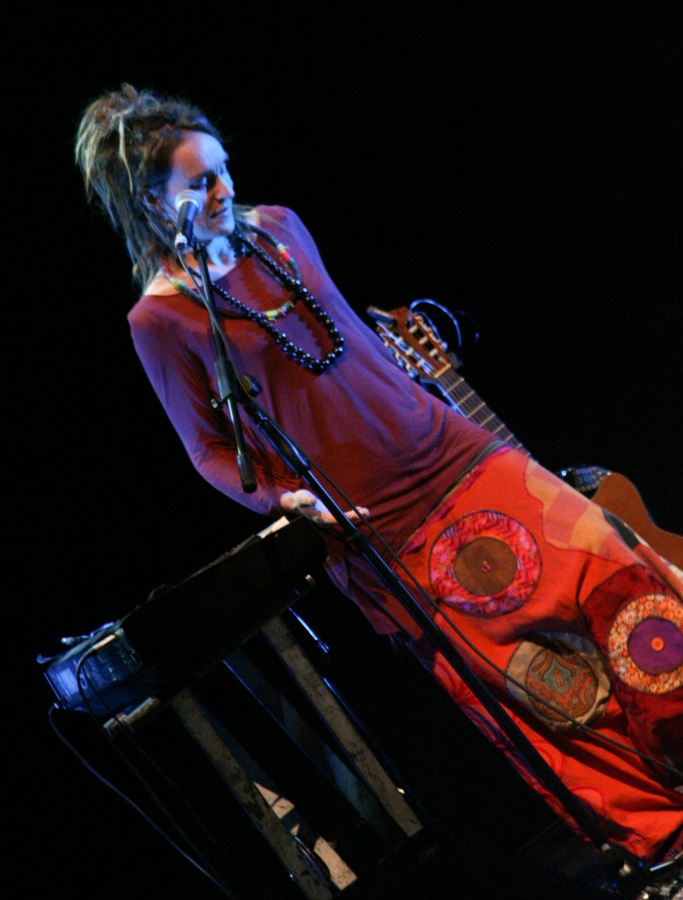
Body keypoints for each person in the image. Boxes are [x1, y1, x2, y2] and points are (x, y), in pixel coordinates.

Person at [75, 84, 683, 886]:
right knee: (536, 688)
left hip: (456, 453)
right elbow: (208, 451)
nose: (224, 190)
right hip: (382, 528)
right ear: (153, 201)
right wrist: (281, 501)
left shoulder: (280, 228)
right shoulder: (160, 321)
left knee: (627, 579)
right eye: (200, 183)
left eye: (222, 170)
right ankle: (660, 838)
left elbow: (346, 343)